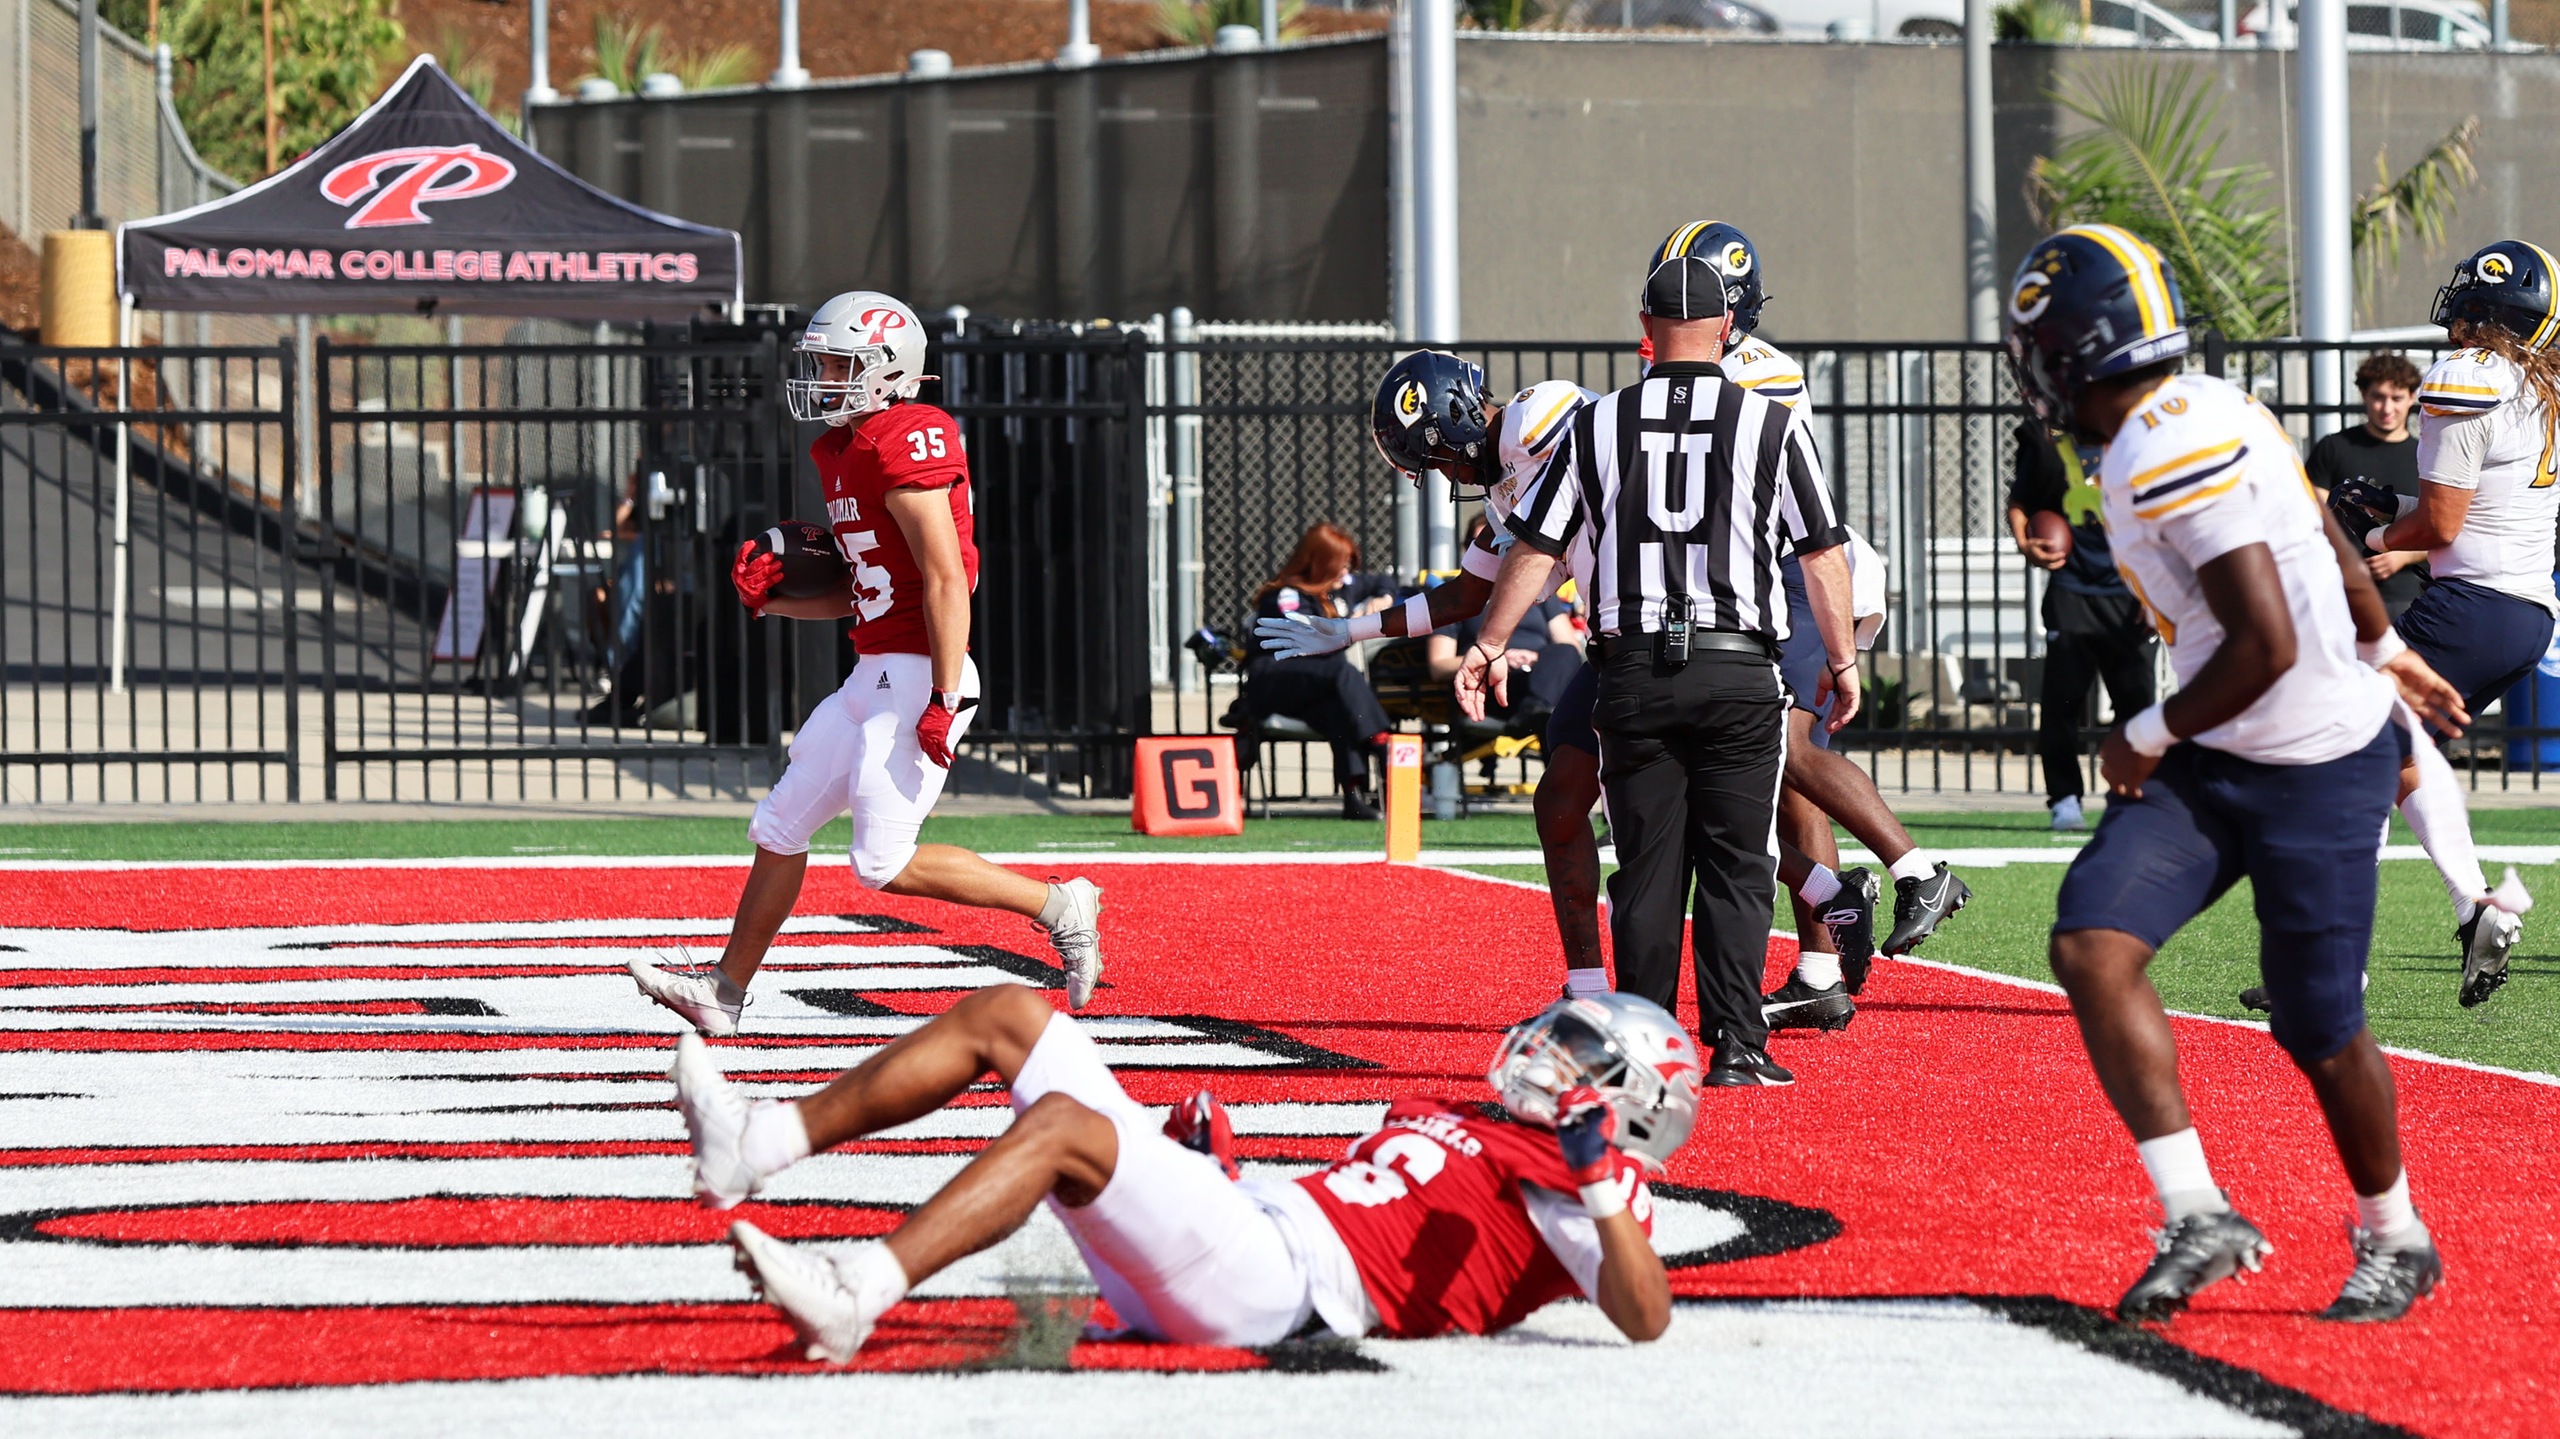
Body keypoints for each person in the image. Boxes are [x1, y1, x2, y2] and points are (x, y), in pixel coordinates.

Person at [2005, 224, 2470, 1323]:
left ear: (2070, 350)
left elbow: (2263, 639)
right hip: (2229, 746)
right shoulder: (2215, 403)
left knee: (2317, 1024)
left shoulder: (2155, 447)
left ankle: (2395, 1233)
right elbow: (2324, 535)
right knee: (2091, 939)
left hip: (2308, 757)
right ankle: (2196, 1211)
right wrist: (2384, 643)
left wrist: (2144, 732)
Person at [666, 984, 1700, 1359]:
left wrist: (1601, 1180)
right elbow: (1360, 1205)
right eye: (1561, 1036)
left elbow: (1643, 1315)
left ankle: (856, 1294)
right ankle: (754, 1145)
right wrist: (1212, 1173)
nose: (1552, 1056)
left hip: (1279, 1289)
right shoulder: (1466, 1116)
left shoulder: (1595, 1177)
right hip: (1251, 1229)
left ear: (1631, 1104)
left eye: (1583, 1055)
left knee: (1067, 1122)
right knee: (1011, 1016)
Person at [624, 290, 1104, 1034]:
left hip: (917, 674)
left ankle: (1059, 903)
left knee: (881, 863)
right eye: (820, 363)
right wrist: (773, 602)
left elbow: (948, 578)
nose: (823, 378)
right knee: (779, 825)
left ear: (887, 370)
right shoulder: (841, 448)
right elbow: (864, 589)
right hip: (872, 672)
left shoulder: (908, 434)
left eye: (839, 363)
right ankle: (724, 992)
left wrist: (945, 693)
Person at [1459, 252, 1859, 1089]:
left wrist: (1490, 642)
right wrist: (1845, 658)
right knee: (1737, 861)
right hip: (1738, 666)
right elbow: (1823, 552)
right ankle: (1739, 1048)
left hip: (1631, 666)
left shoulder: (1596, 424)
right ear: (1726, 329)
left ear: (1644, 332)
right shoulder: (1770, 423)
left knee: (1647, 866)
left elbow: (1536, 546)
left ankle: (1642, 1048)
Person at [1646, 223, 1963, 1038]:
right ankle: (1820, 971)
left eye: (1697, 300)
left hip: (1799, 576)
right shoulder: (1702, 364)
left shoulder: (1762, 370)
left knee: (1778, 744)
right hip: (1767, 578)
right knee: (1778, 775)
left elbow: (1735, 478)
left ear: (1728, 309)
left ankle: (1918, 868)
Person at [1260, 353, 1626, 995]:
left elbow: (1556, 525)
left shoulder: (1537, 419)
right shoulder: (1508, 488)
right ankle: (1590, 993)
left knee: (1699, 823)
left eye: (1435, 459)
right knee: (1564, 806)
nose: (1443, 474)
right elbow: (1462, 595)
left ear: (1454, 422)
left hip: (1665, 633)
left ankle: (1805, 920)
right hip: (1614, 648)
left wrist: (1489, 643)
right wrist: (1347, 631)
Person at [2332, 241, 2557, 1007]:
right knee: (2389, 754)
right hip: (2521, 613)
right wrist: (2391, 510)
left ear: (2487, 312)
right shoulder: (2536, 381)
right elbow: (2478, 509)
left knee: (2347, 751)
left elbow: (2446, 524)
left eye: (2468, 299)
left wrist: (2373, 534)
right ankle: (2471, 912)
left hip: (2474, 606)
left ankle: (2347, 964)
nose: (2454, 310)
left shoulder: (2467, 375)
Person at [2006, 421, 2158, 833]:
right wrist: (2025, 543)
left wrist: (2156, 590)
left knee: (2137, 704)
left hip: (2130, 592)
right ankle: (2065, 798)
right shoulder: (2049, 443)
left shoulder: (2144, 438)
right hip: (2072, 590)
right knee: (2062, 703)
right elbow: (2019, 503)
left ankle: (2132, 793)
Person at [1240, 523, 1397, 820]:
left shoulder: (1344, 587)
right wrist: (1352, 627)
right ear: (1320, 562)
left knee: (1338, 710)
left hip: (1318, 685)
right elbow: (1309, 641)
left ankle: (1353, 796)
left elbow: (1384, 581)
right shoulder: (1286, 597)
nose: (1346, 572)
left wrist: (1382, 600)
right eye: (1341, 564)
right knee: (1341, 671)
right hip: (1276, 681)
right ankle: (1381, 742)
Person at [1426, 515, 1586, 732]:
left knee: (1564, 654)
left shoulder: (1538, 589)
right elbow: (1439, 665)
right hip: (1491, 685)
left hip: (1541, 678)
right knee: (1559, 716)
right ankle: (1538, 714)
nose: (1491, 552)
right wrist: (1495, 658)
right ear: (1467, 551)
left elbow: (1569, 646)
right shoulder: (1454, 598)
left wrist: (1536, 659)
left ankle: (1536, 711)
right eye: (1479, 545)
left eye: (1500, 544)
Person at [2310, 352, 2429, 619]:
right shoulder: (2334, 448)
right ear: (2364, 395)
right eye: (2378, 397)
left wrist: (2404, 556)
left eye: (2397, 398)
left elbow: (2446, 524)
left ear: (2412, 397)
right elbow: (2310, 517)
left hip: (2408, 595)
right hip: (2339, 593)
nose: (2387, 409)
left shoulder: (2428, 454)